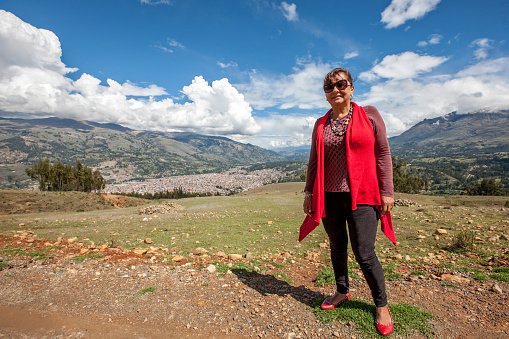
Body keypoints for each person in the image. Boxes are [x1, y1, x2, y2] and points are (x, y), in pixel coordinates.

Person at [300, 68, 395, 336]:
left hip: (363, 194)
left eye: (341, 84)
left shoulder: (370, 115)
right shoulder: (321, 123)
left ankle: (381, 305)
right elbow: (314, 161)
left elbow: (383, 152)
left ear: (351, 88)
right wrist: (309, 192)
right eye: (328, 87)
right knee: (337, 246)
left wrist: (387, 191)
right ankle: (342, 291)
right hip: (329, 196)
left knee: (364, 253)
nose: (335, 90)